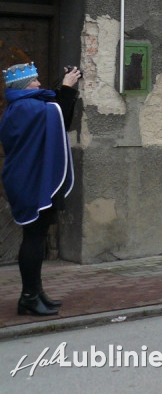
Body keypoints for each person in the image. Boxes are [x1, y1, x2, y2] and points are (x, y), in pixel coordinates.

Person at [0, 61, 80, 316]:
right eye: (34, 81)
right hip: (30, 180)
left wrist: (65, 88)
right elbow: (61, 117)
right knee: (34, 237)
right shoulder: (26, 107)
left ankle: (36, 292)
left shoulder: (25, 105)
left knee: (37, 235)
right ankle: (28, 297)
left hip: (31, 177)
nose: (38, 83)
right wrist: (67, 89)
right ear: (24, 86)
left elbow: (54, 113)